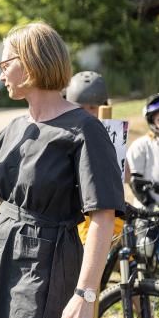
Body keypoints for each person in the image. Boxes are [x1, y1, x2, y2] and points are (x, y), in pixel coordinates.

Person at [0, 21, 124, 318]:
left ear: (31, 63)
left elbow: (102, 216)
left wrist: (85, 295)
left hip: (44, 265)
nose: (1, 74)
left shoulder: (85, 130)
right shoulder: (13, 127)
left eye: (6, 63)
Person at [66, 71, 123, 244]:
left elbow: (121, 177)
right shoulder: (64, 136)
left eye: (93, 108)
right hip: (75, 219)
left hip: (107, 215)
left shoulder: (114, 135)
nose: (88, 114)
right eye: (81, 108)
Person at [127, 93, 159, 209]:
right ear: (152, 123)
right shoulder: (141, 146)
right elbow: (135, 183)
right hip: (148, 216)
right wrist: (152, 205)